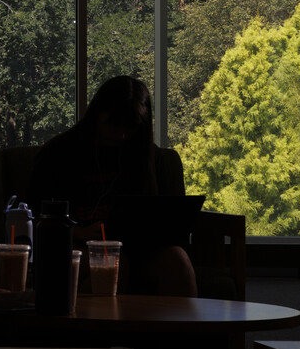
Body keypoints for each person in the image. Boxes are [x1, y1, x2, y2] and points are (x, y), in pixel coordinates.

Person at [26, 75, 198, 297]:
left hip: (138, 250)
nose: (122, 135)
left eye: (131, 127)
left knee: (178, 260)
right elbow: (32, 215)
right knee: (112, 262)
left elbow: (163, 212)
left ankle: (186, 332)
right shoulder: (59, 153)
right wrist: (79, 232)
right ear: (97, 114)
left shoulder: (148, 157)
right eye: (114, 125)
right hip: (77, 248)